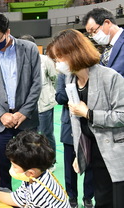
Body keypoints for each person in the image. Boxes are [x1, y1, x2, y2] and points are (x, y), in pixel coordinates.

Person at [47, 28, 124, 208]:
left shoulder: (109, 77)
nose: (58, 63)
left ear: (74, 53)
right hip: (94, 154)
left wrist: (89, 113)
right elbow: (76, 122)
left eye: (60, 57)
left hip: (115, 153)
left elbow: (122, 115)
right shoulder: (70, 80)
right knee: (103, 200)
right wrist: (79, 153)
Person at [0, 12, 41, 190]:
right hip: (0, 123)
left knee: (29, 167)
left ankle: (31, 199)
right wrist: (1, 114)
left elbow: (36, 83)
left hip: (26, 121)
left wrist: (24, 112)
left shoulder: (28, 49)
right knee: (1, 168)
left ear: (7, 32)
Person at [0, 131, 70, 207]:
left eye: (14, 166)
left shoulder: (38, 192)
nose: (12, 169)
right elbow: (16, 199)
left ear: (30, 172)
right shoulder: (33, 176)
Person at [55, 74, 94, 208]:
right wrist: (73, 95)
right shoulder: (63, 75)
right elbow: (59, 97)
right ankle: (72, 197)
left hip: (90, 123)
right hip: (69, 125)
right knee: (69, 165)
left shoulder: (92, 73)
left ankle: (88, 197)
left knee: (91, 164)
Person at [20, 34, 58, 168]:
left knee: (46, 134)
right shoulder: (20, 62)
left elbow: (54, 78)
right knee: (31, 135)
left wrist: (49, 93)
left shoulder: (45, 60)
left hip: (44, 104)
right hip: (28, 106)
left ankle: (51, 161)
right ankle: (34, 162)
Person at [82, 7, 124, 76]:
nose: (94, 36)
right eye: (90, 34)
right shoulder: (106, 50)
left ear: (107, 23)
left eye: (94, 31)